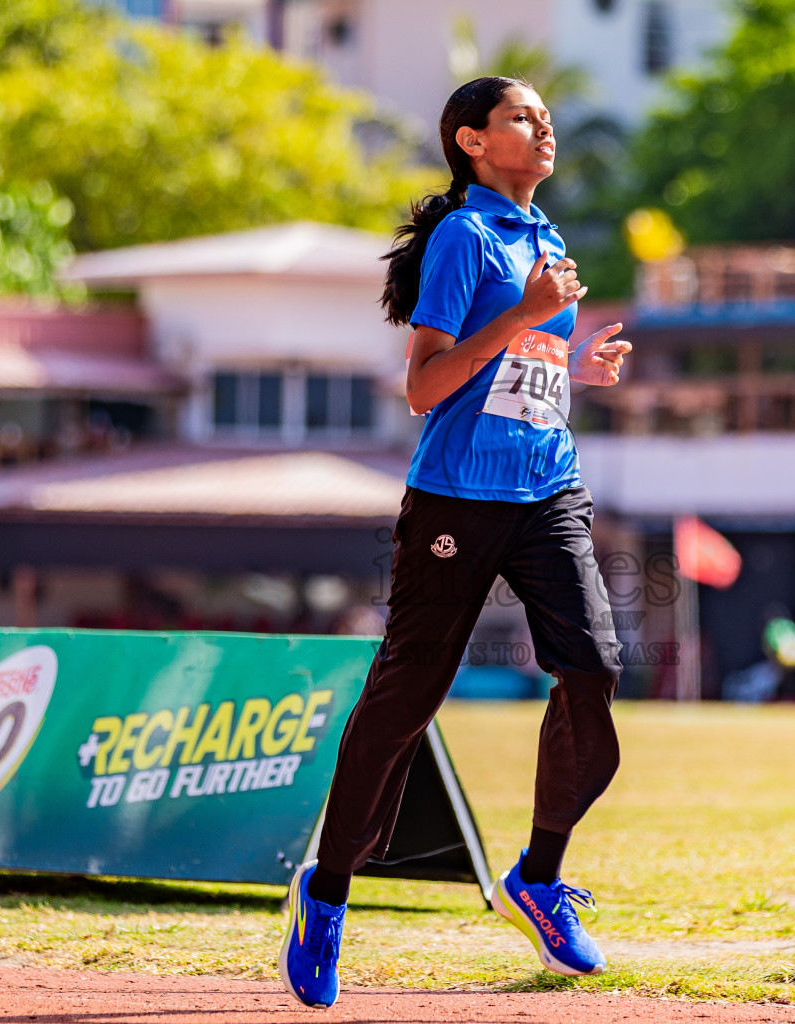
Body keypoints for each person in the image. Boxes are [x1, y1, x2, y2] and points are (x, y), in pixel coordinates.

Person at [277, 77, 633, 1009]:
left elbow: (517, 369)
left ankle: (540, 878)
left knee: (593, 668)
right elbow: (427, 387)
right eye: (522, 115)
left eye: (546, 114)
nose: (543, 124)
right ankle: (327, 892)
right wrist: (525, 315)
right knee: (406, 699)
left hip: (548, 488)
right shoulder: (463, 238)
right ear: (472, 141)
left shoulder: (545, 238)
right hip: (455, 499)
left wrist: (573, 362)